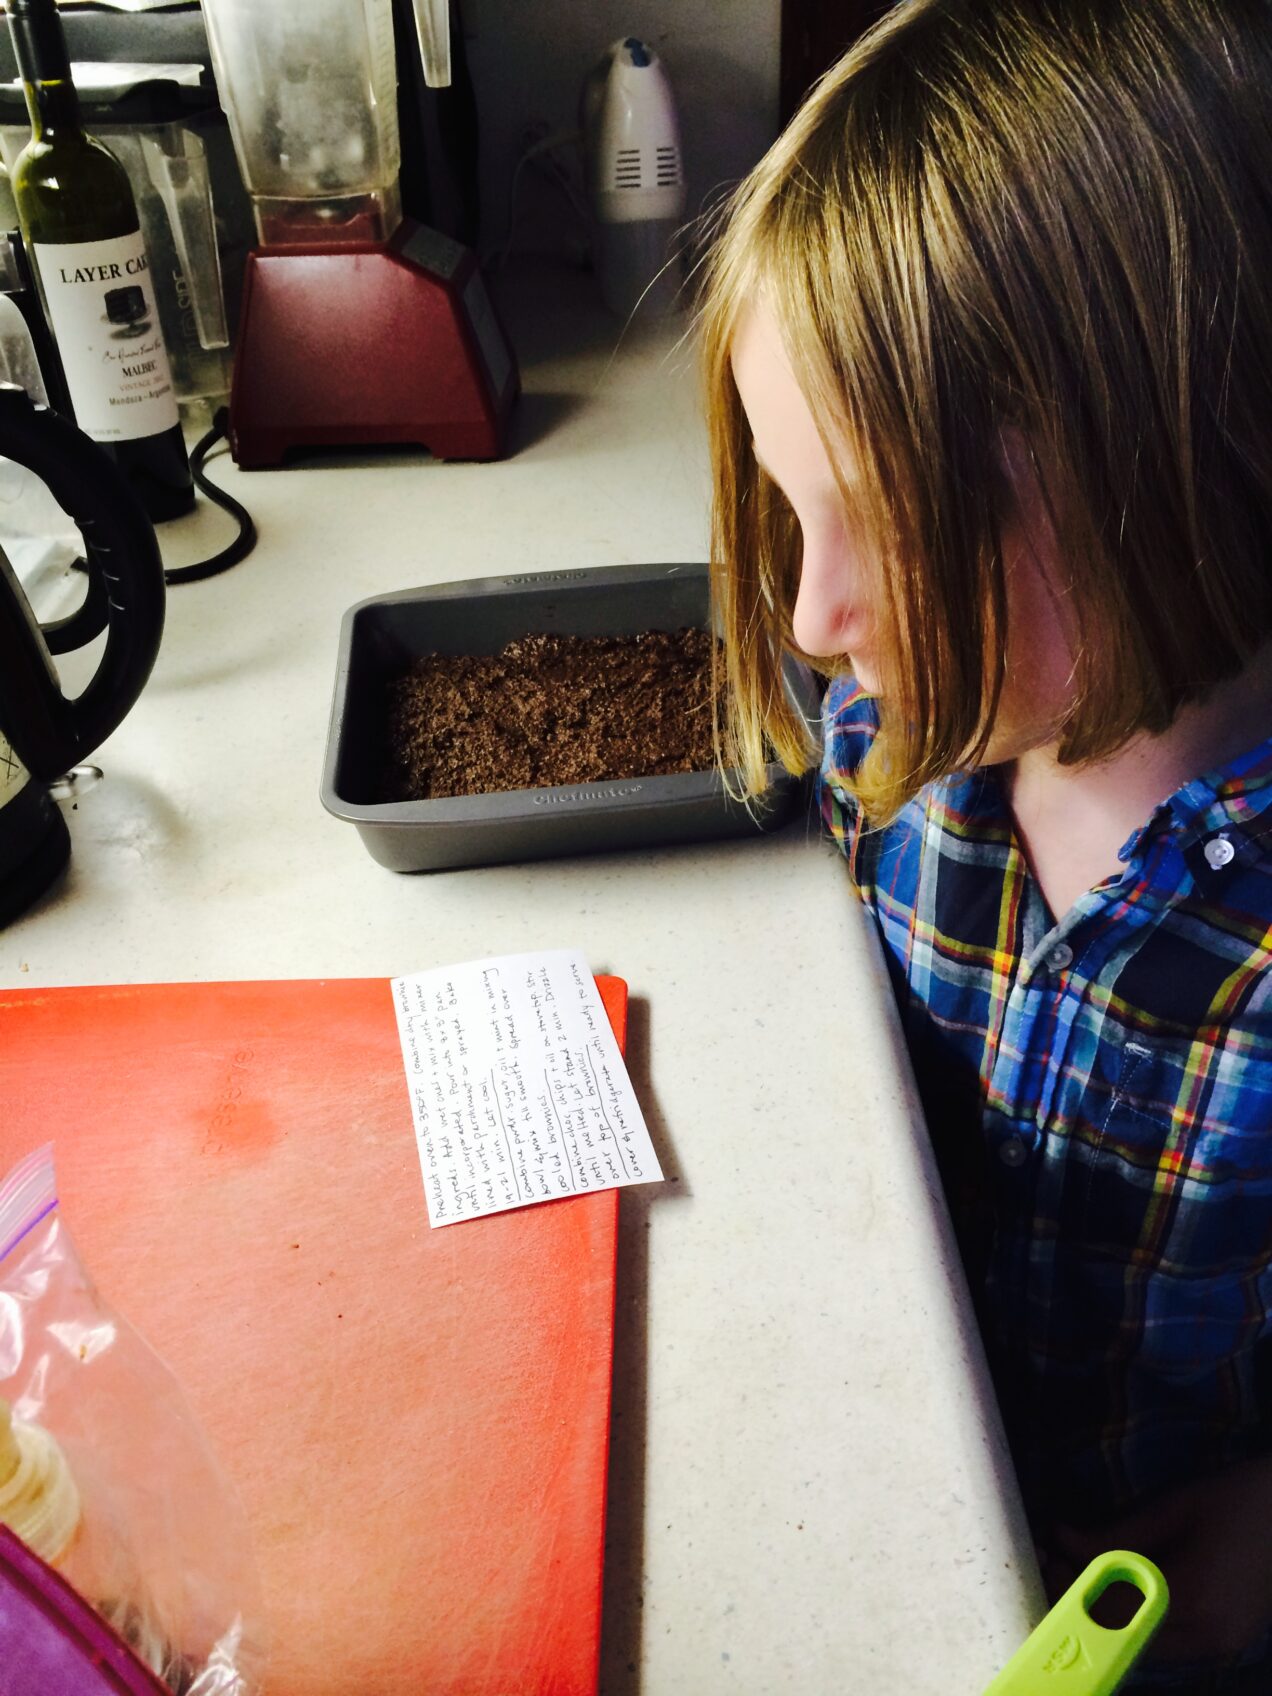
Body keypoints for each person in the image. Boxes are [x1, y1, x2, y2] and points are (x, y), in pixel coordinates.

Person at [698, 1, 1272, 1689]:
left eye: (885, 526)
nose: (810, 619)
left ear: (1176, 468)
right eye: (793, 510)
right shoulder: (901, 746)